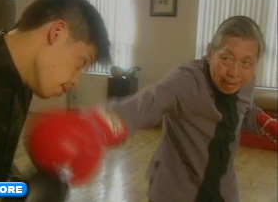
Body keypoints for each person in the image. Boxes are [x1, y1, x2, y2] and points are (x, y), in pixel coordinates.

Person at [98, 16, 276, 202]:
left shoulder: (245, 82)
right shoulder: (188, 79)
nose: (234, 72)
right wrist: (101, 121)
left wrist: (265, 122)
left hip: (223, 188)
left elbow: (242, 110)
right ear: (210, 52)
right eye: (226, 58)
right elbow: (149, 101)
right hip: (177, 189)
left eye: (246, 62)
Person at [0, 0, 110, 200]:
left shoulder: (19, 80)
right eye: (81, 62)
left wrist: (19, 189)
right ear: (57, 32)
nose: (77, 81)